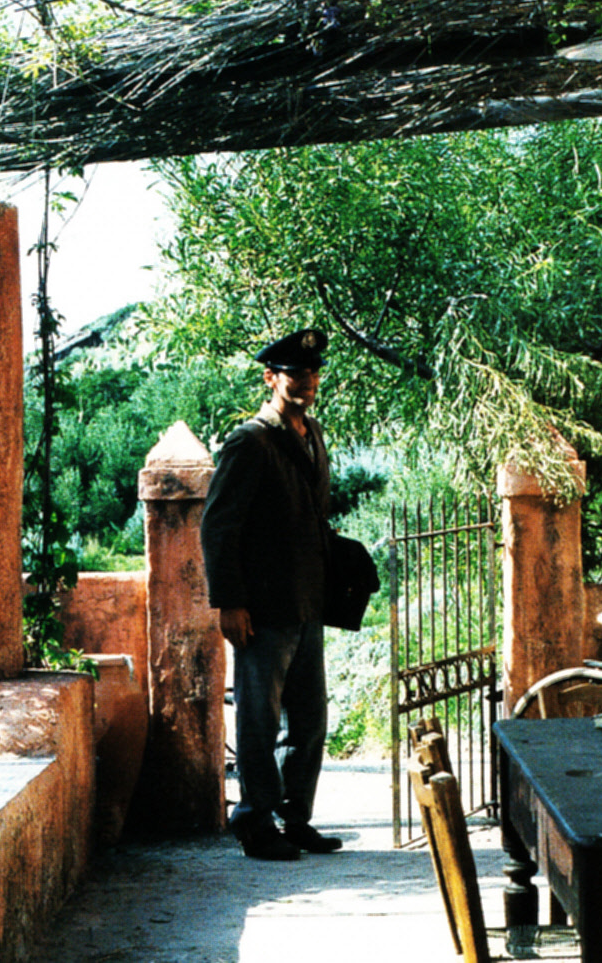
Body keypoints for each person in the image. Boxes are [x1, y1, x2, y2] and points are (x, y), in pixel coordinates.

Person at [201, 328, 344, 861]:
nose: (305, 381)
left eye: (310, 373)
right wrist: (229, 602)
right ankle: (255, 823)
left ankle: (294, 818)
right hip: (262, 609)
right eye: (293, 374)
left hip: (306, 604)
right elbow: (219, 527)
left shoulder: (312, 432)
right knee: (259, 722)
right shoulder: (250, 441)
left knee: (309, 723)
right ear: (271, 379)